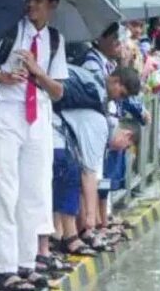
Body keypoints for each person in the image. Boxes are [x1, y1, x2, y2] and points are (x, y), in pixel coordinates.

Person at [0, 0, 66, 291]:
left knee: (34, 191)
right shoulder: (7, 30)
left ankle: (27, 263)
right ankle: (5, 269)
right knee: (6, 190)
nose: (32, 4)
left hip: (39, 116)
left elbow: (59, 90)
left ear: (52, 5)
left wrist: (37, 70)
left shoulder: (55, 40)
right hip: (6, 111)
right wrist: (4, 76)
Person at [53, 66, 142, 255]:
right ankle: (69, 237)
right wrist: (91, 223)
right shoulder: (99, 122)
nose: (120, 98)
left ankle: (67, 235)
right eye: (122, 93)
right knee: (71, 178)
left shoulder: (96, 98)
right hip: (52, 134)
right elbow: (89, 174)